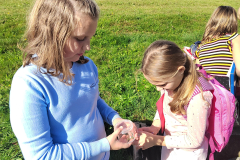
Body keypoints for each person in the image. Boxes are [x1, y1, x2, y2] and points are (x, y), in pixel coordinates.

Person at [9, 0, 137, 159]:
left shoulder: (87, 66)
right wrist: (103, 145)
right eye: (81, 38)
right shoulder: (30, 83)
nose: (88, 47)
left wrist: (115, 118)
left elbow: (93, 101)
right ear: (53, 33)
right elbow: (41, 155)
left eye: (90, 37)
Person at [134, 40, 214, 160]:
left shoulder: (198, 99)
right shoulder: (171, 83)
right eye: (155, 84)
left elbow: (194, 141)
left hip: (190, 154)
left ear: (180, 70)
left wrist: (157, 140)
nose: (158, 89)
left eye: (162, 84)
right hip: (170, 145)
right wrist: (156, 126)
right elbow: (165, 107)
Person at [195, 6, 240, 90]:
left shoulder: (201, 45)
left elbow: (197, 72)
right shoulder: (233, 38)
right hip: (227, 91)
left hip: (206, 90)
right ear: (233, 23)